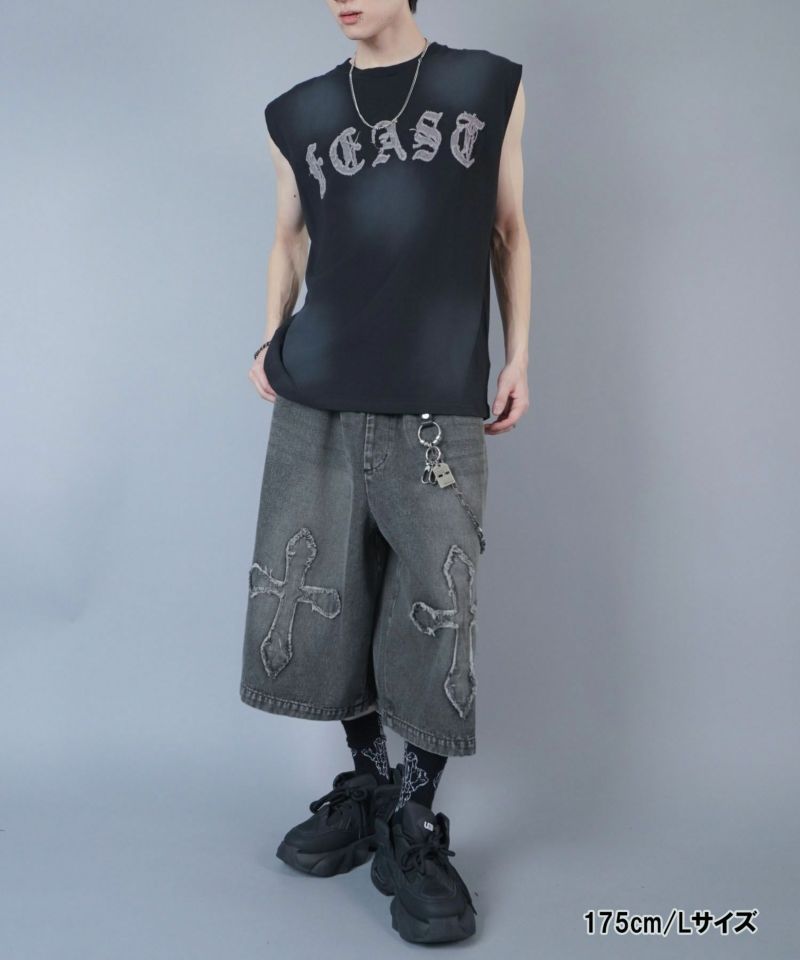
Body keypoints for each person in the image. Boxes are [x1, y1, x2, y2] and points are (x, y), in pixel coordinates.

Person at [240, 0, 530, 944]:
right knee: (327, 601)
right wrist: (269, 336)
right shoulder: (297, 112)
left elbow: (508, 229)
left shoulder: (485, 85)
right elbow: (289, 237)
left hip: (434, 409)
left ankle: (414, 817)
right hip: (317, 399)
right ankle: (371, 786)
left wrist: (519, 355)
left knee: (438, 611)